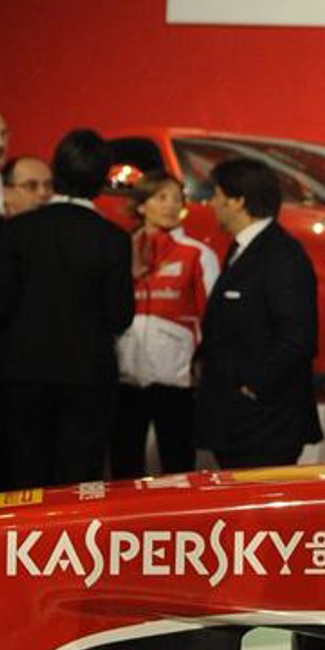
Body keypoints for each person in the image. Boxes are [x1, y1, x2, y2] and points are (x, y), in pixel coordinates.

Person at [0, 125, 135, 489]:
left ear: (56, 172)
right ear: (102, 180)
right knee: (78, 487)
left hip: (23, 375)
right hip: (88, 377)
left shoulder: (19, 230)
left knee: (26, 482)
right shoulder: (113, 239)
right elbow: (120, 316)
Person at [196, 155, 317, 468]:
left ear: (238, 201)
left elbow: (297, 336)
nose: (211, 204)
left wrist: (253, 387)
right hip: (239, 422)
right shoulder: (242, 248)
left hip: (266, 424)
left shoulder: (281, 254)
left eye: (217, 195)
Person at [112, 175, 219, 476]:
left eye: (177, 198)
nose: (171, 205)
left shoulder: (198, 253)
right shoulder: (122, 249)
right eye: (161, 197)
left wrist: (200, 366)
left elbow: (213, 318)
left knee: (178, 468)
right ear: (141, 205)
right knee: (123, 470)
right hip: (126, 378)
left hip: (176, 382)